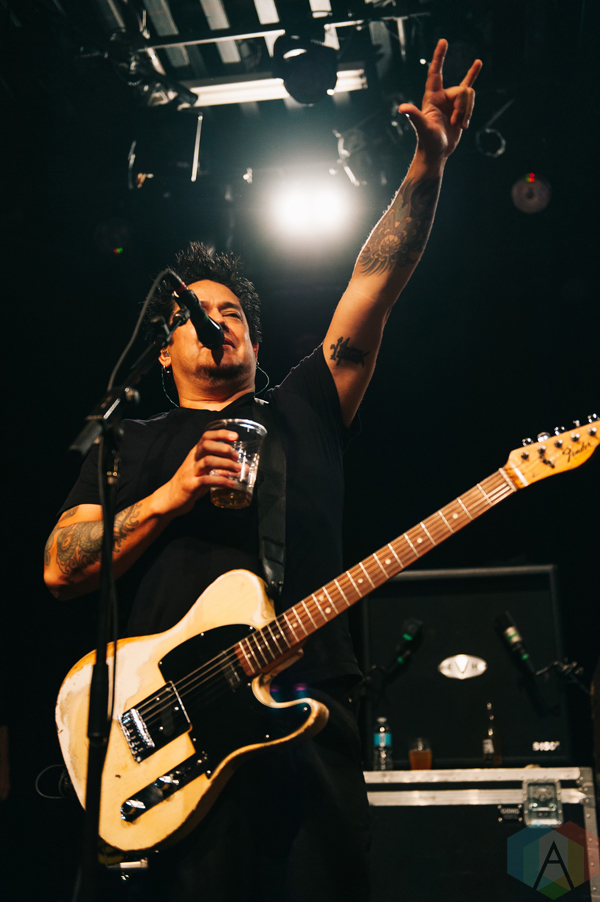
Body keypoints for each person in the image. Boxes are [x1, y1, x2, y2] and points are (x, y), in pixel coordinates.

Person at [44, 40, 481, 902]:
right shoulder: (129, 440)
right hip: (166, 742)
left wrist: (428, 167)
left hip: (303, 719)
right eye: (197, 313)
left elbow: (376, 279)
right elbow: (62, 566)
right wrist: (169, 498)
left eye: (235, 311)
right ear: (164, 349)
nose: (220, 321)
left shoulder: (303, 405)